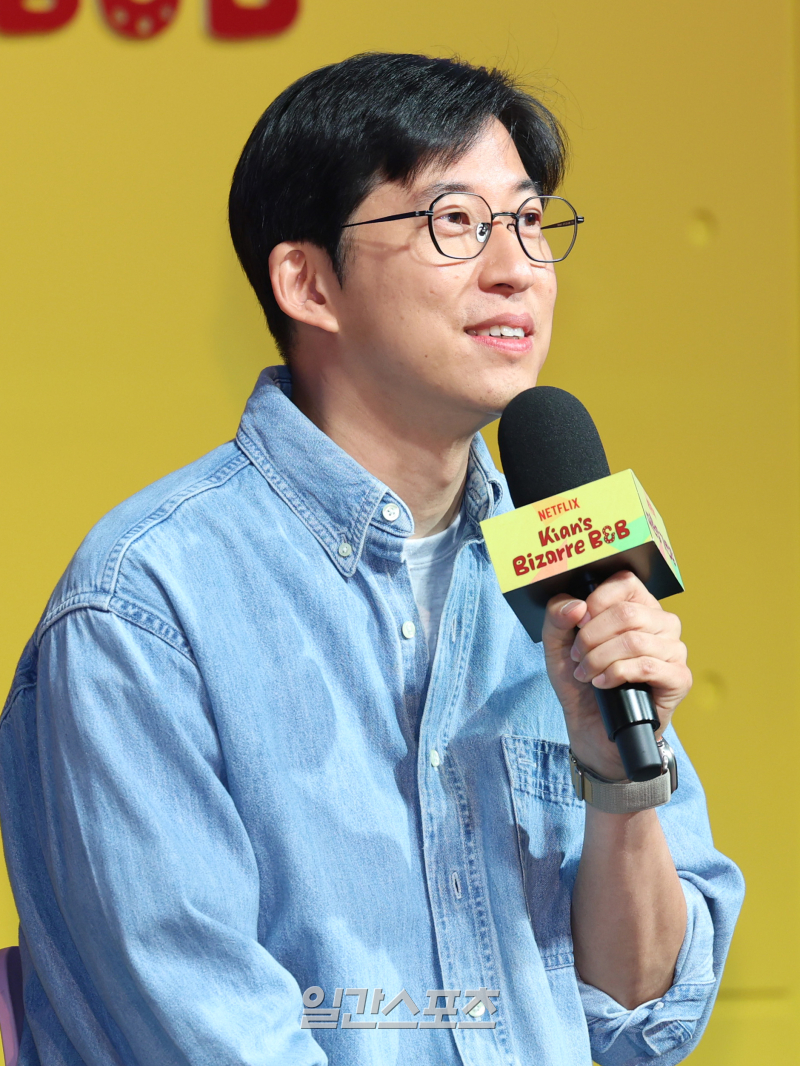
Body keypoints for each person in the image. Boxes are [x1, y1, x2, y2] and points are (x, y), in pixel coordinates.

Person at [0, 52, 743, 1066]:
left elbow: (641, 1020)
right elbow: (204, 1028)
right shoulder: (145, 605)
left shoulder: (567, 565)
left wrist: (618, 787)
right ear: (308, 282)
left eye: (529, 220)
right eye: (454, 221)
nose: (516, 267)